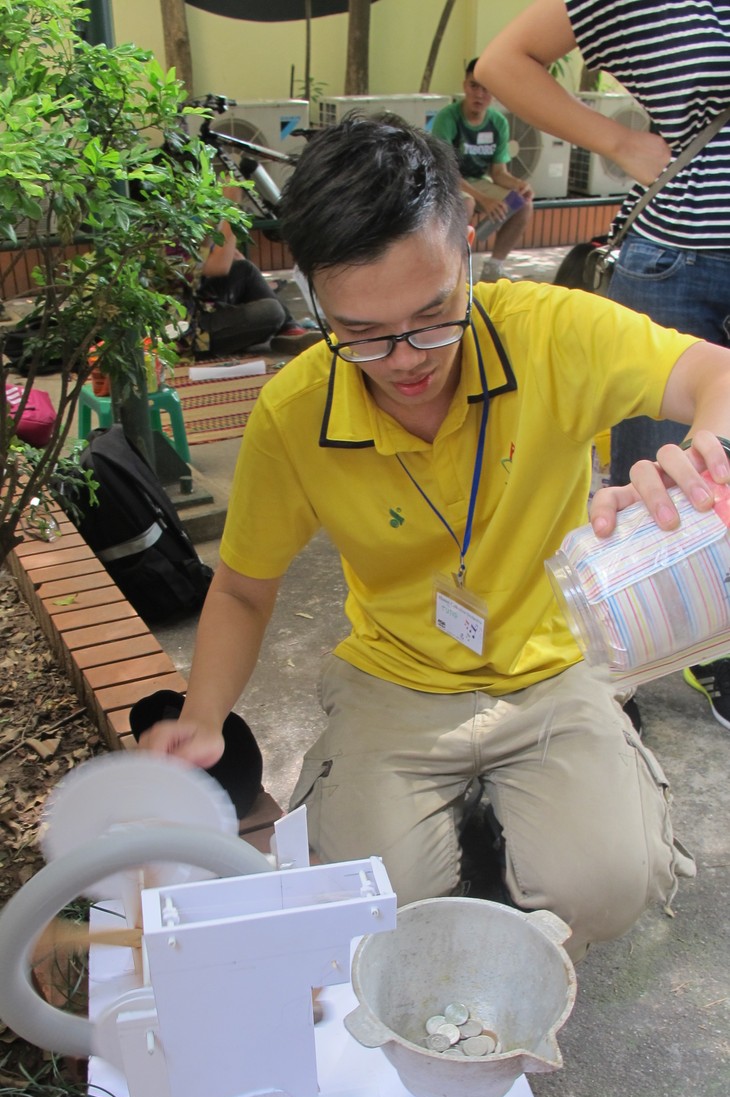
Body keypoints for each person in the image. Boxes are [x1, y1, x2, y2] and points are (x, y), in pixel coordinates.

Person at [140, 114, 730, 962]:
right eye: (363, 334)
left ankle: (514, 819)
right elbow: (240, 585)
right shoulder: (294, 410)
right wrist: (203, 717)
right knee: (371, 907)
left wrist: (708, 455)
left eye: (435, 312)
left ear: (467, 242)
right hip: (398, 677)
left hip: (554, 667)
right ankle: (483, 825)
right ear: (311, 296)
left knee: (607, 886)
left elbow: (716, 374)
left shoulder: (551, 331)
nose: (408, 360)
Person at [475, 0, 730, 731]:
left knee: (716, 477)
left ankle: (711, 646)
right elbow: (502, 61)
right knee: (653, 489)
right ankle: (625, 665)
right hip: (678, 254)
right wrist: (618, 141)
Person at [183, 185, 317, 357]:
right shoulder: (154, 233)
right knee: (271, 311)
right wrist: (231, 206)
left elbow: (208, 252)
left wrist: (215, 209)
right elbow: (219, 266)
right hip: (188, 332)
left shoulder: (169, 221)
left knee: (244, 270)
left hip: (198, 303)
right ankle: (278, 325)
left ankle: (288, 330)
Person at [431, 59, 534, 281]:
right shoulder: (447, 118)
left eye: (486, 88)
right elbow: (446, 170)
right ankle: (453, 270)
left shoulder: (498, 122)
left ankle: (494, 267)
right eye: (474, 86)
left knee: (523, 204)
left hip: (479, 181)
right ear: (464, 85)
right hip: (449, 180)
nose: (479, 94)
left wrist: (519, 185)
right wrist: (484, 200)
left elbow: (498, 173)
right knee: (466, 203)